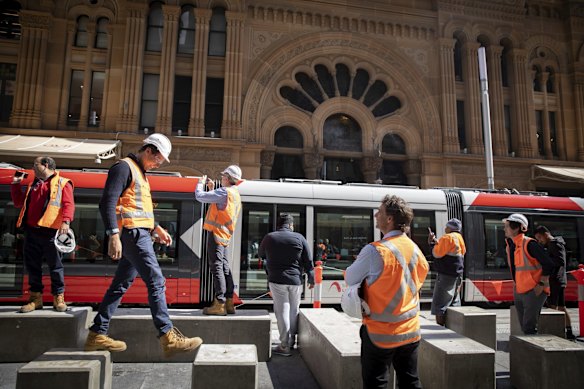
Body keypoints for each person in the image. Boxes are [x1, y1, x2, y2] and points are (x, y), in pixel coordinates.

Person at [85, 133, 202, 357]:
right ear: (149, 150)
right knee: (156, 281)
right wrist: (113, 234)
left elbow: (136, 209)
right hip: (132, 235)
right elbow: (107, 202)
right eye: (158, 159)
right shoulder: (123, 167)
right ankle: (168, 337)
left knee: (120, 284)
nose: (158, 165)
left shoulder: (139, 173)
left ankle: (96, 334)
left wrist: (155, 228)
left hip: (138, 232)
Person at [345, 195, 429, 389]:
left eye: (380, 212)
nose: (376, 215)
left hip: (380, 333)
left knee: (377, 383)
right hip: (410, 331)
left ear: (390, 219)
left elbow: (350, 278)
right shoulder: (416, 250)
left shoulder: (375, 250)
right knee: (410, 382)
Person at [11, 156, 75, 313]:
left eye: (35, 164)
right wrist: (15, 184)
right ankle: (35, 299)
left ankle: (58, 298)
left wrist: (66, 222)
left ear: (45, 165)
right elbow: (19, 203)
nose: (33, 167)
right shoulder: (33, 184)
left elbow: (68, 204)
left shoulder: (62, 183)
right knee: (33, 266)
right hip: (32, 231)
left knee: (55, 267)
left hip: (51, 232)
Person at [258, 214, 315, 356]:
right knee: (294, 310)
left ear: (279, 225)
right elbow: (308, 260)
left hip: (276, 279)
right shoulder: (299, 238)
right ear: (290, 225)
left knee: (282, 309)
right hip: (295, 280)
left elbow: (261, 254)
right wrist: (311, 278)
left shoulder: (269, 237)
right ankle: (291, 342)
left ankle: (284, 345)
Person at [195, 164, 243, 315]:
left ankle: (219, 303)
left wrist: (199, 184)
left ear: (228, 178)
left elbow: (199, 197)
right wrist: (211, 188)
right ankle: (229, 302)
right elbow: (221, 206)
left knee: (216, 266)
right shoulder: (235, 193)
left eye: (223, 176)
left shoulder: (224, 192)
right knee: (224, 267)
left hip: (216, 233)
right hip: (225, 234)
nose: (221, 177)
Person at [504, 213, 555, 335]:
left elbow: (549, 264)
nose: (504, 229)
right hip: (520, 290)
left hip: (533, 290)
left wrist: (541, 284)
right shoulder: (511, 245)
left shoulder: (529, 244)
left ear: (517, 228)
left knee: (529, 327)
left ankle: (532, 353)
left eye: (507, 226)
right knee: (525, 327)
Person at [534, 225, 576, 340]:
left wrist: (547, 262)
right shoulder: (555, 243)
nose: (539, 241)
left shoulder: (554, 244)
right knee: (562, 307)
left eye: (539, 238)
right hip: (559, 280)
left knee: (553, 307)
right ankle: (569, 331)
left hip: (555, 280)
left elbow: (560, 261)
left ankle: (553, 333)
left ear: (545, 234)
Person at [428, 218, 466, 326]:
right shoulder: (460, 238)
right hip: (457, 275)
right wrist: (437, 243)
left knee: (440, 305)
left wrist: (431, 243)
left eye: (446, 226)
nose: (445, 228)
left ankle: (440, 329)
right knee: (454, 302)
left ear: (450, 228)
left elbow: (436, 254)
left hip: (446, 276)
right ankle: (455, 328)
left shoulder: (447, 237)